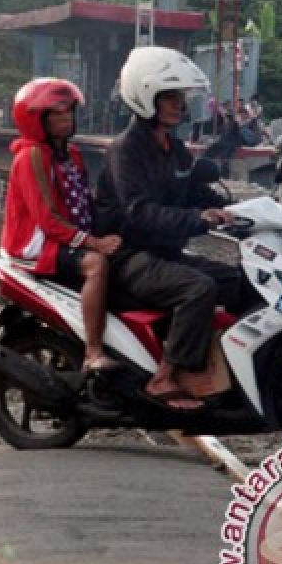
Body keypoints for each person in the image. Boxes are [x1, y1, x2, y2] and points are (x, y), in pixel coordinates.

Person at [94, 47, 247, 406]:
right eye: (170, 97)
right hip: (129, 256)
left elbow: (196, 190)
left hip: (165, 253)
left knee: (240, 282)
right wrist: (199, 219)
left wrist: (244, 212)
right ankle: (163, 378)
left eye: (181, 97)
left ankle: (227, 368)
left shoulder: (174, 149)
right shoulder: (126, 151)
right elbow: (139, 212)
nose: (180, 105)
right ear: (146, 98)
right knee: (198, 288)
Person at [1, 78, 123, 372]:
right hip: (36, 243)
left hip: (64, 237)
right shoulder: (31, 156)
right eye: (57, 113)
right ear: (36, 119)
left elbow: (82, 201)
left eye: (69, 111)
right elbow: (47, 218)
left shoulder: (72, 154)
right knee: (95, 265)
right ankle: (93, 352)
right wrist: (93, 243)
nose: (66, 118)